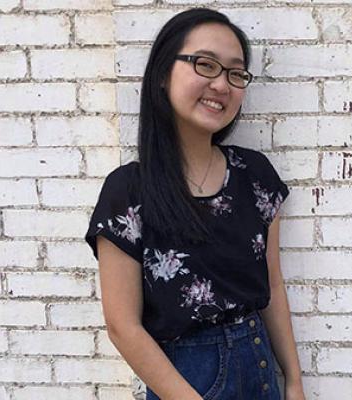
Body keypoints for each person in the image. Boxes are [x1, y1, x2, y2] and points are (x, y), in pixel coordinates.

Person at [85, 7, 306, 400]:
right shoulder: (128, 191)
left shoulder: (254, 175)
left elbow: (271, 282)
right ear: (162, 75)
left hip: (258, 367)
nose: (222, 84)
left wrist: (292, 379)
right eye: (205, 65)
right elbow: (123, 325)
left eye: (235, 73)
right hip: (185, 380)